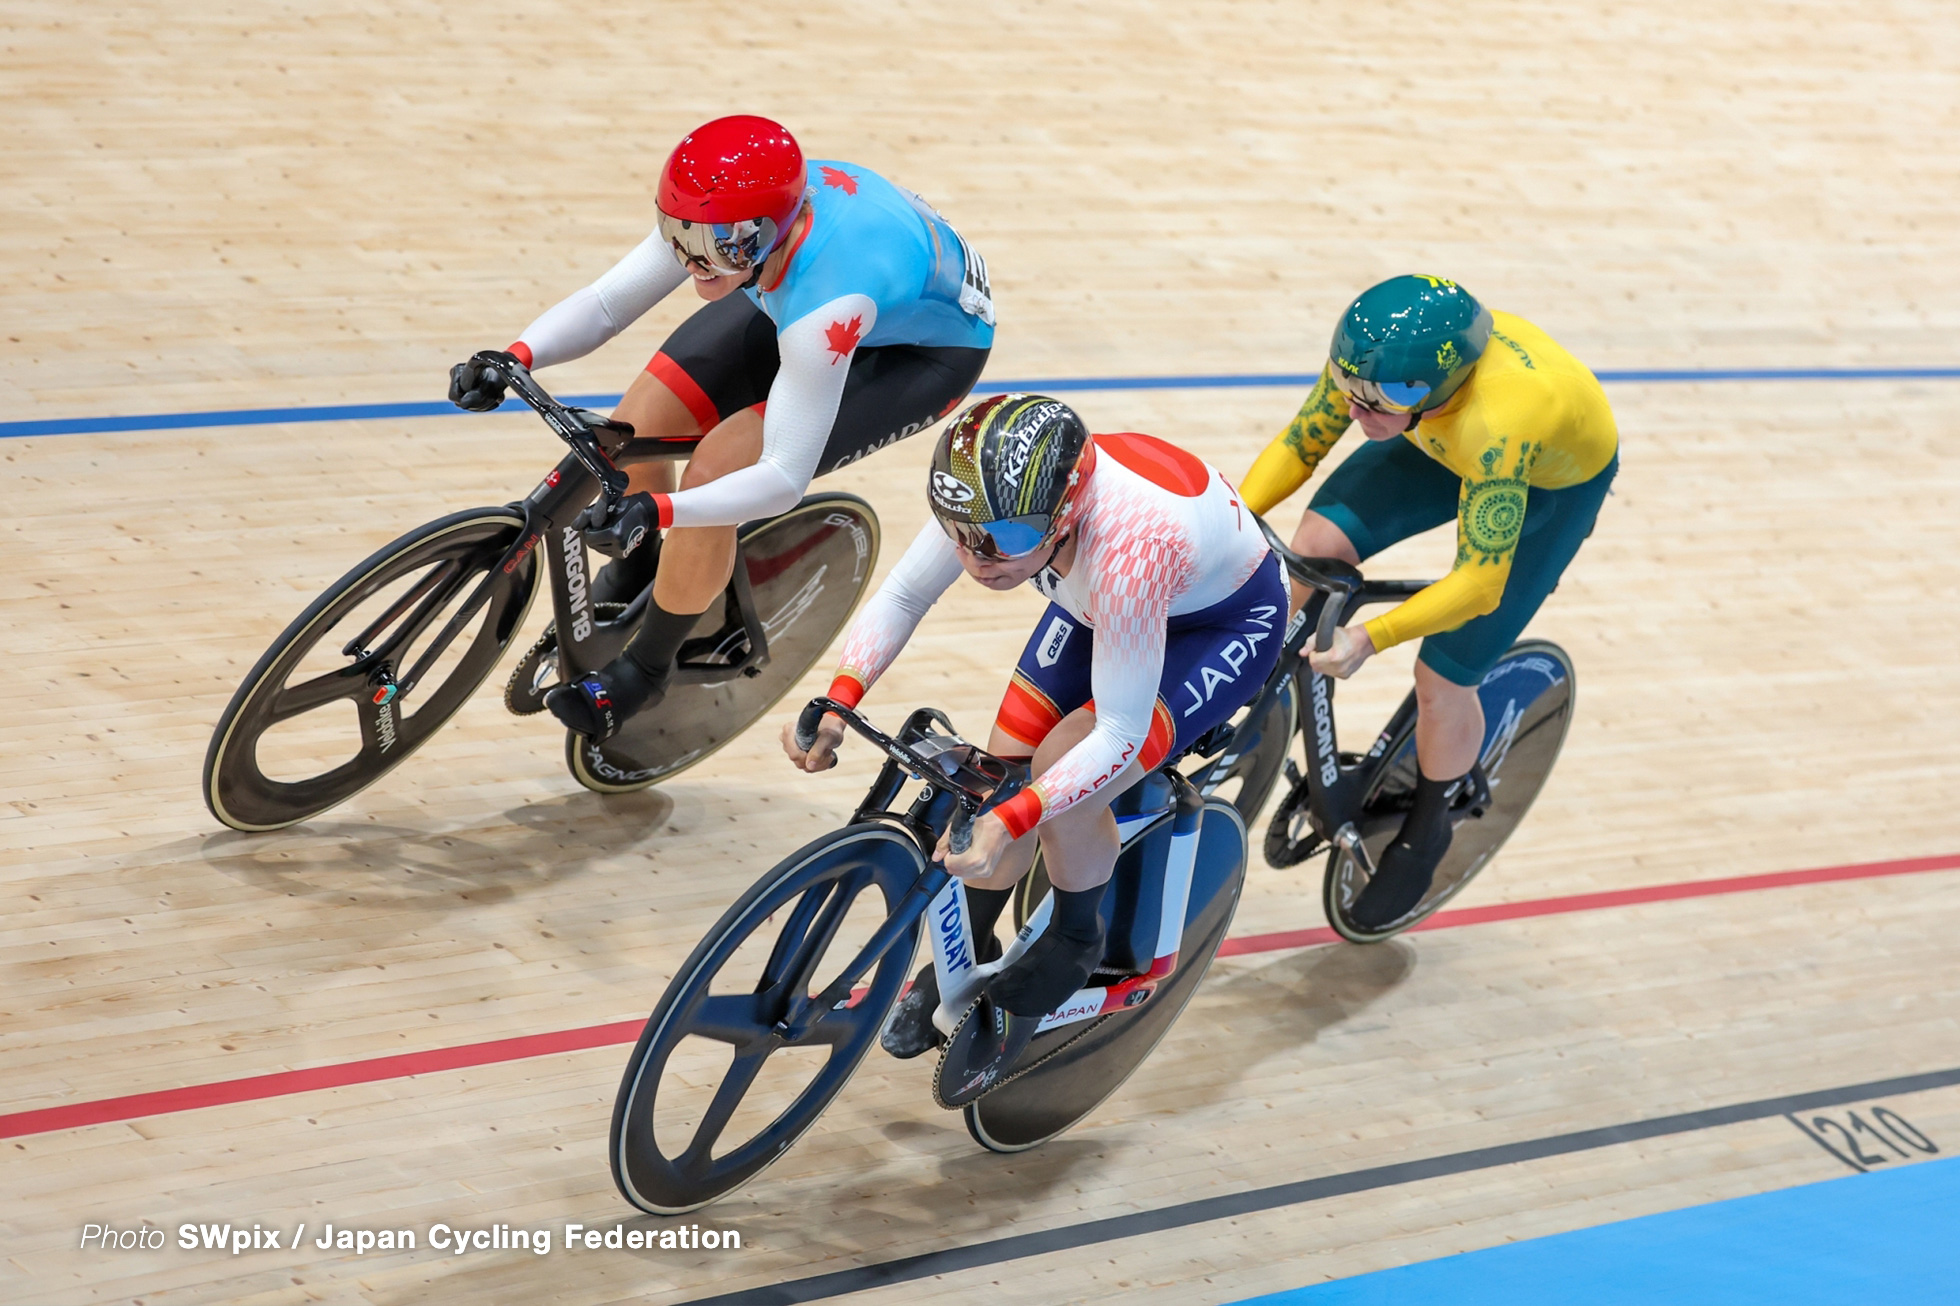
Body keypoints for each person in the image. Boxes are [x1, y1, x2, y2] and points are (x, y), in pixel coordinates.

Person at [448, 115, 995, 739]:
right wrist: (516, 356)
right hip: (820, 275)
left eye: (714, 249)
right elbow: (606, 304)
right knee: (634, 426)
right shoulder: (724, 218)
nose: (693, 260)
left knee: (718, 470)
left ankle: (644, 672)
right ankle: (637, 571)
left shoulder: (822, 302)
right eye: (678, 238)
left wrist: (661, 510)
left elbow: (782, 478)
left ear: (767, 232)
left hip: (920, 352)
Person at [784, 394, 1285, 1063]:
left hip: (1217, 624)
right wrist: (839, 699)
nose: (981, 559)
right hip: (1094, 598)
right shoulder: (987, 504)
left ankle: (1077, 939)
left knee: (1061, 777)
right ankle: (972, 953)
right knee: (996, 779)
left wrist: (1022, 814)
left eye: (1010, 541)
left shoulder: (1129, 548)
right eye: (961, 535)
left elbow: (1118, 734)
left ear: (1067, 512)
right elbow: (904, 595)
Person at [1238, 275, 1618, 929]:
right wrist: (1232, 519)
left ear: (1433, 391)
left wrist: (1369, 638)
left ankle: (1430, 823)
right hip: (1434, 444)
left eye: (1376, 403)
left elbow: (1478, 584)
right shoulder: (1375, 371)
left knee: (1441, 677)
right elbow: (1302, 445)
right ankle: (1257, 688)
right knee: (1315, 545)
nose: (1356, 411)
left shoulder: (1499, 422)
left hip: (1544, 486)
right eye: (1348, 389)